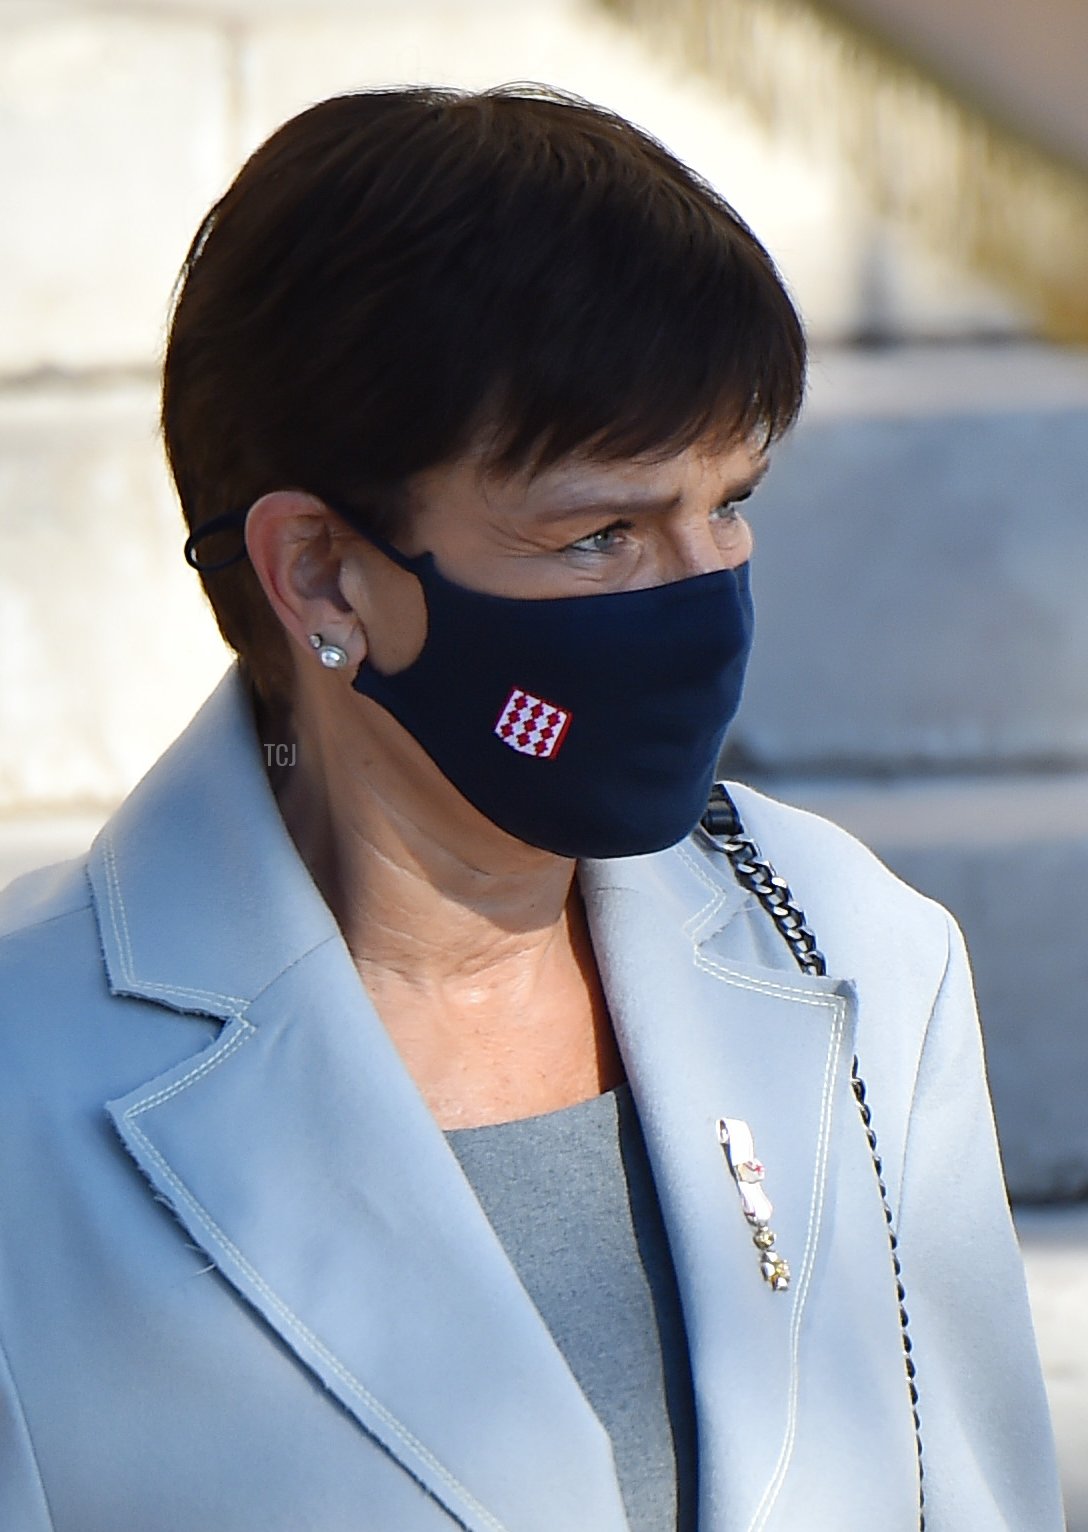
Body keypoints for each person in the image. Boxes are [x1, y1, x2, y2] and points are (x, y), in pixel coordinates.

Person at [0, 85, 1063, 1532]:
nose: (704, 593)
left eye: (731, 500)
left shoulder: (864, 954)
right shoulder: (26, 1077)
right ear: (320, 574)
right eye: (601, 533)